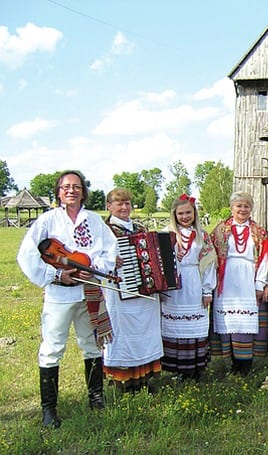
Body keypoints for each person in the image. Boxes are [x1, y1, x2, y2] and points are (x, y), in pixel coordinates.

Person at [17, 171, 117, 428]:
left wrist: (93, 268)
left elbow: (110, 249)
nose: (71, 191)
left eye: (76, 187)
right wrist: (57, 275)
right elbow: (27, 254)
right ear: (59, 192)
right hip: (59, 294)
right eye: (66, 187)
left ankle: (96, 398)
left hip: (89, 291)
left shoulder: (94, 220)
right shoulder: (47, 220)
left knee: (91, 344)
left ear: (83, 192)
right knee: (52, 348)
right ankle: (49, 408)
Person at [103, 188, 163, 392]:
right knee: (122, 332)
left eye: (127, 203)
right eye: (119, 203)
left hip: (145, 291)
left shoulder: (140, 228)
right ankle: (122, 381)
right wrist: (109, 261)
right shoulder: (104, 230)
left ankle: (144, 378)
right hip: (118, 289)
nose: (124, 207)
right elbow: (93, 255)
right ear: (109, 206)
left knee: (145, 331)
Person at [210, 191, 268, 375]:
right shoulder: (220, 230)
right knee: (229, 321)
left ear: (251, 209)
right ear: (232, 208)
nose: (242, 209)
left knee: (246, 322)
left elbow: (264, 258)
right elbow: (210, 256)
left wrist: (259, 284)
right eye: (239, 206)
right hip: (227, 279)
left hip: (248, 278)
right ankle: (232, 362)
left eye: (246, 206)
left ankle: (245, 363)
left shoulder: (258, 232)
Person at [161, 194, 217, 380]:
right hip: (173, 285)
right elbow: (158, 262)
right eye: (181, 213)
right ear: (174, 215)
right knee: (174, 325)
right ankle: (177, 368)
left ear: (194, 214)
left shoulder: (202, 235)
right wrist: (161, 287)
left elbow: (208, 264)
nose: (185, 217)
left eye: (188, 213)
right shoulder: (166, 234)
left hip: (194, 281)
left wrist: (207, 290)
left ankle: (195, 368)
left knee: (194, 325)